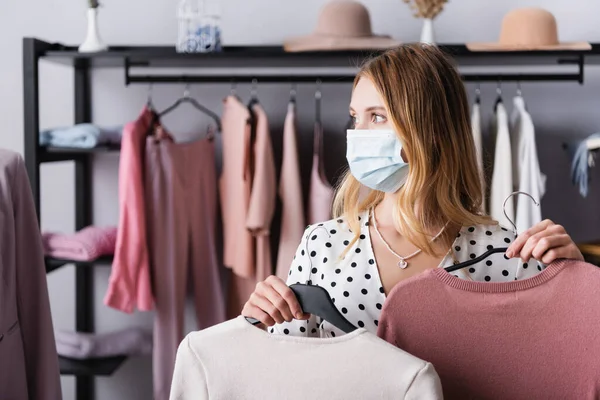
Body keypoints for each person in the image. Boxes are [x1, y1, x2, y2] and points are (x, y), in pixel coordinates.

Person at [241, 44, 584, 338]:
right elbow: (285, 368)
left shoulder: (504, 253)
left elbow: (557, 363)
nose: (357, 134)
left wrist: (576, 284)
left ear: (430, 129)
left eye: (376, 117)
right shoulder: (321, 246)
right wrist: (258, 319)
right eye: (355, 118)